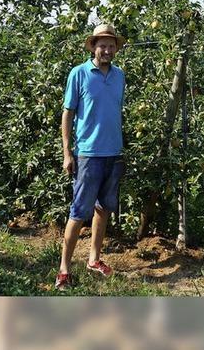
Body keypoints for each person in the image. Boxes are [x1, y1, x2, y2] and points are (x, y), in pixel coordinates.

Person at [55, 23, 126, 290]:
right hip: (88, 153)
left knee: (104, 208)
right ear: (93, 47)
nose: (107, 50)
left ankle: (94, 259)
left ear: (115, 49)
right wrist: (67, 152)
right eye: (102, 45)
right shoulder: (79, 73)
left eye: (111, 46)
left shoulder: (119, 76)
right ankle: (64, 268)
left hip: (114, 152)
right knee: (78, 211)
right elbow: (68, 113)